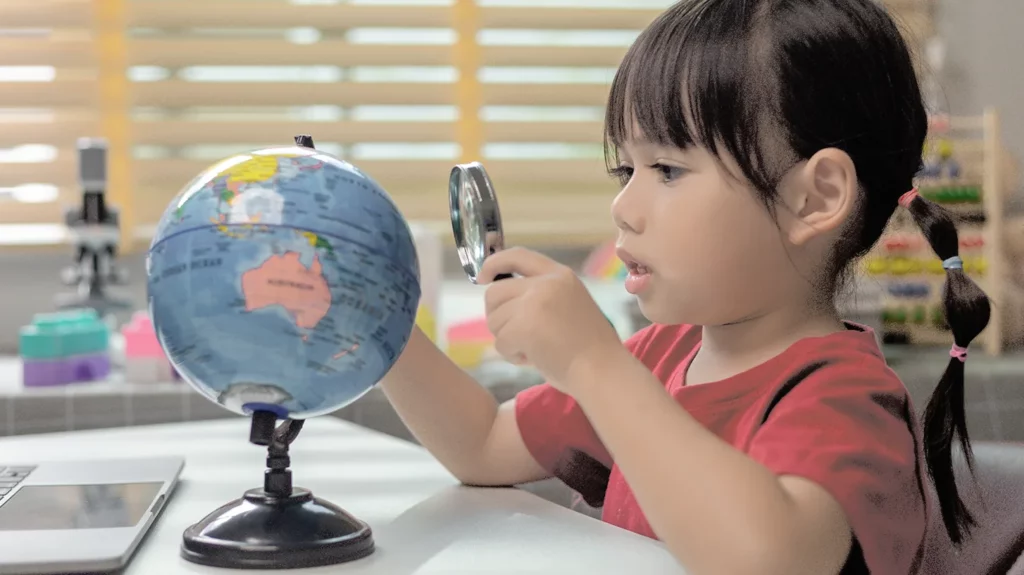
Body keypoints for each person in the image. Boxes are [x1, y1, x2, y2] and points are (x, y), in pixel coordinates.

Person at [380, 0, 991, 573]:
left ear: (816, 197)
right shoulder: (660, 356)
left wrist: (594, 367)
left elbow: (762, 557)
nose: (623, 206)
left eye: (667, 169)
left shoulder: (843, 400)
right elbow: (484, 445)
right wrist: (375, 320)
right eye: (626, 170)